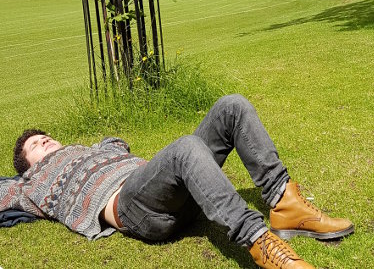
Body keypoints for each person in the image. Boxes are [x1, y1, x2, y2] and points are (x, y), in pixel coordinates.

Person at [1, 94, 354, 269]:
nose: (43, 141)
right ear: (28, 165)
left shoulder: (92, 148)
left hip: (164, 189)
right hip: (132, 208)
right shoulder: (32, 183)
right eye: (35, 145)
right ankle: (261, 243)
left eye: (45, 137)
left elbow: (117, 144)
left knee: (231, 106)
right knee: (186, 147)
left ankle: (286, 204)